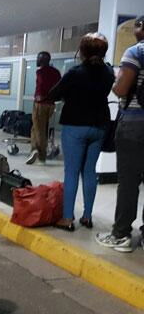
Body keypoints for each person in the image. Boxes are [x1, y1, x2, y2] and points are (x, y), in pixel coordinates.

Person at [47, 33, 115, 232]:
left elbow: (53, 94)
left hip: (75, 125)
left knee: (72, 172)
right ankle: (87, 216)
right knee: (89, 172)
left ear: (82, 51)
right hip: (99, 126)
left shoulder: (75, 72)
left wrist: (69, 94)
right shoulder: (109, 72)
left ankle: (67, 218)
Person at [96, 16, 144, 252]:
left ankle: (121, 234)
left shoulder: (135, 51)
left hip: (135, 124)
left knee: (128, 182)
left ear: (141, 28)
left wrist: (116, 83)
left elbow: (122, 88)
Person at [26, 51, 61, 165]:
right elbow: (59, 86)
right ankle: (34, 149)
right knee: (36, 128)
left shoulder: (40, 72)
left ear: (42, 60)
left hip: (40, 103)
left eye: (38, 58)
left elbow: (41, 86)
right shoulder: (56, 72)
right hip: (51, 104)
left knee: (40, 130)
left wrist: (40, 96)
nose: (37, 60)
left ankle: (41, 155)